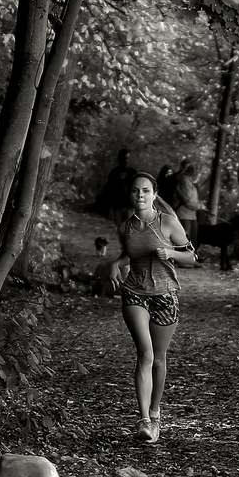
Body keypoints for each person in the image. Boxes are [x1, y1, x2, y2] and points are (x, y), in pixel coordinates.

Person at [105, 170, 196, 442]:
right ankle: (143, 420)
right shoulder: (125, 227)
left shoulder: (168, 223)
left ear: (154, 195)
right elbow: (129, 255)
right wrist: (115, 264)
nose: (140, 195)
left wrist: (170, 252)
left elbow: (192, 256)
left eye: (145, 190)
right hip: (135, 293)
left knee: (158, 358)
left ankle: (155, 414)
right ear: (130, 195)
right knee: (144, 354)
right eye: (135, 190)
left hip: (165, 295)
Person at [90, 148, 138, 222]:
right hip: (117, 206)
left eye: (127, 158)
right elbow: (109, 190)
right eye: (123, 158)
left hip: (130, 206)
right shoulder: (114, 173)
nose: (125, 160)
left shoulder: (133, 173)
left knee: (129, 229)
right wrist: (107, 208)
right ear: (119, 159)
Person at [174, 158, 202, 249]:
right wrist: (200, 206)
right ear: (193, 173)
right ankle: (182, 260)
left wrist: (200, 205)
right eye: (198, 174)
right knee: (185, 239)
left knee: (194, 239)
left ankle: (193, 258)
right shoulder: (184, 182)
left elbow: (193, 200)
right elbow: (188, 201)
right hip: (184, 214)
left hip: (192, 214)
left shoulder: (191, 184)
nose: (198, 176)